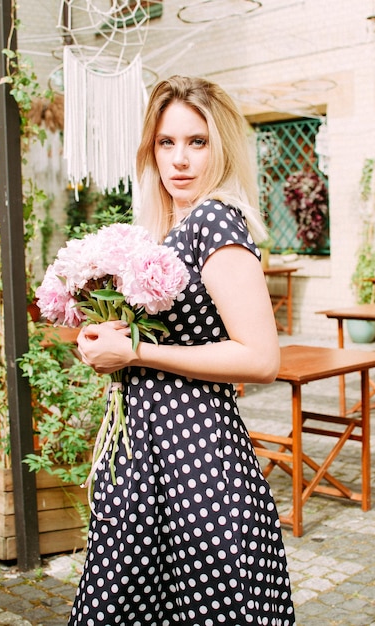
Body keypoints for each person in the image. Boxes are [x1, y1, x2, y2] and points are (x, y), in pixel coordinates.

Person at [70, 75, 296, 626]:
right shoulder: (173, 228)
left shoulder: (215, 220)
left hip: (195, 455)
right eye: (166, 143)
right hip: (152, 454)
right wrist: (104, 336)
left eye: (197, 142)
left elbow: (261, 358)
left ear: (221, 147)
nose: (180, 159)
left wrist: (137, 354)